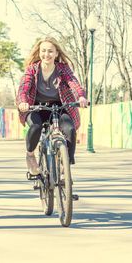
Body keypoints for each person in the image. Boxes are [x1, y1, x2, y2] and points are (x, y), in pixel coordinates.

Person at [16, 36, 88, 177]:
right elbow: (23, 88)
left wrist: (80, 96)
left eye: (50, 51)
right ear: (39, 52)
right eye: (43, 51)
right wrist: (23, 102)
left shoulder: (63, 69)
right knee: (35, 127)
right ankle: (30, 155)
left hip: (58, 107)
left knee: (70, 128)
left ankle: (65, 163)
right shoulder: (32, 69)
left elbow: (73, 82)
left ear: (56, 53)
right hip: (35, 107)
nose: (46, 54)